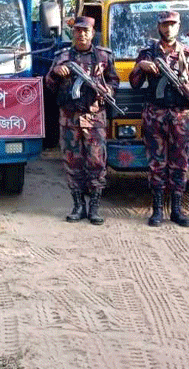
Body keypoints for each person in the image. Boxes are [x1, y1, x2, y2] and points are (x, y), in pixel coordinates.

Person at [129, 11, 189, 227]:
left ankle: (177, 210)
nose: (168, 28)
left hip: (181, 115)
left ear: (178, 26)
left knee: (180, 163)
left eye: (172, 24)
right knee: (156, 163)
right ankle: (157, 210)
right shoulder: (147, 53)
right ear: (159, 26)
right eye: (165, 24)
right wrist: (139, 67)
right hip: (155, 114)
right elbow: (134, 83)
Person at [44, 16, 119, 225]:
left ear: (92, 33)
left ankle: (94, 207)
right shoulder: (62, 55)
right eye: (78, 30)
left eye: (86, 31)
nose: (82, 34)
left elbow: (114, 81)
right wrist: (56, 74)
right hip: (69, 118)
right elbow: (49, 85)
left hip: (94, 118)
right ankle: (78, 206)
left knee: (96, 162)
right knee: (72, 161)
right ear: (73, 33)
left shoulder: (104, 56)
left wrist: (107, 90)